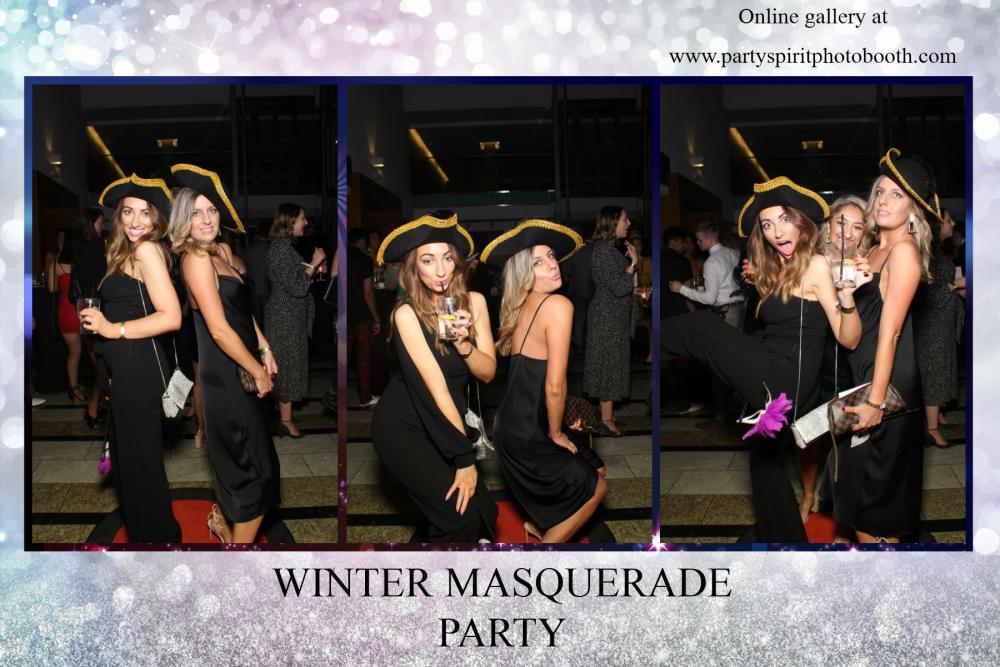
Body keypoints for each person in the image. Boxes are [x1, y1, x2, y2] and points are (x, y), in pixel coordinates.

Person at [663, 177, 870, 542]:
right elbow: (780, 313)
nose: (776, 232)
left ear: (801, 222)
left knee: (700, 326)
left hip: (785, 375)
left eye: (784, 219)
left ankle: (653, 343)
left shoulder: (817, 265)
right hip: (772, 368)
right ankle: (784, 537)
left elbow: (849, 337)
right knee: (762, 461)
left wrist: (848, 298)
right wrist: (758, 279)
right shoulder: (779, 268)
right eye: (767, 225)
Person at [169, 164, 280, 543]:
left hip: (243, 363)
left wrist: (263, 346)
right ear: (183, 220)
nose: (206, 219)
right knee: (253, 472)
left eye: (212, 210)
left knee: (257, 462)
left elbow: (243, 310)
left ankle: (228, 532)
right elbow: (217, 328)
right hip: (226, 376)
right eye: (195, 213)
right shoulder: (195, 259)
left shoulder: (221, 250)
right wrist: (257, 371)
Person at [371, 212, 498, 542]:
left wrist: (464, 343)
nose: (441, 270)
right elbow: (437, 390)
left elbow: (487, 373)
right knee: (459, 519)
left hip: (445, 422)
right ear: (414, 267)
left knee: (485, 513)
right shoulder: (406, 314)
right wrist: (464, 459)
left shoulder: (476, 303)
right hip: (404, 428)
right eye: (428, 260)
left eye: (447, 258)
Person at [482, 220, 608, 543]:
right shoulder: (558, 305)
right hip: (530, 431)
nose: (552, 265)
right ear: (524, 273)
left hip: (511, 425)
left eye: (551, 256)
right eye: (538, 262)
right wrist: (556, 433)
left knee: (594, 467)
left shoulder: (522, 304)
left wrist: (559, 422)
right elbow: (554, 385)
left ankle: (538, 527)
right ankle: (543, 557)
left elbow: (529, 379)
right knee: (597, 487)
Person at [833, 148, 935, 543]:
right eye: (880, 192)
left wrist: (876, 403)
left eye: (897, 194)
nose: (883, 200)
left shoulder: (904, 251)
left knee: (876, 505)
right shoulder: (872, 250)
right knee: (861, 496)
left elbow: (890, 333)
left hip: (888, 387)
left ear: (913, 209)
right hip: (866, 374)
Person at [79, 174, 182, 543]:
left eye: (145, 212)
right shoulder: (122, 250)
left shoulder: (146, 250)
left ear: (156, 218)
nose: (136, 220)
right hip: (125, 368)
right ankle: (149, 536)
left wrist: (111, 329)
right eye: (128, 212)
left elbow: (172, 317)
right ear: (118, 216)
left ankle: (157, 542)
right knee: (129, 466)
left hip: (140, 369)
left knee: (140, 466)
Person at [266, 202, 325, 438]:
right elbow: (297, 287)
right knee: (287, 368)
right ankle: (285, 421)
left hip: (290, 317)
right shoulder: (280, 249)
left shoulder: (283, 248)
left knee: (287, 365)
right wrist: (314, 262)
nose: (306, 222)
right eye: (302, 218)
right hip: (285, 318)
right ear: (290, 222)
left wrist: (312, 269)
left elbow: (296, 279)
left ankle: (281, 415)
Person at [584, 206, 639, 437]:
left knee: (612, 363)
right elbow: (619, 286)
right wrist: (633, 263)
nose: (629, 223)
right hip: (607, 317)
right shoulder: (603, 251)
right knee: (609, 365)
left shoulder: (608, 250)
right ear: (613, 222)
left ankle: (607, 413)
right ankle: (606, 420)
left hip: (612, 316)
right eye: (625, 219)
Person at [73, 207, 108, 427]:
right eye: (101, 222)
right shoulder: (94, 247)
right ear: (92, 223)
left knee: (98, 364)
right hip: (96, 309)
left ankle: (96, 409)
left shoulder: (78, 246)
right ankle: (93, 411)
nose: (102, 226)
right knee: (101, 366)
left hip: (85, 309)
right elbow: (100, 280)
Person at [47, 228, 87, 405]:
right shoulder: (80, 260)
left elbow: (52, 289)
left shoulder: (56, 262)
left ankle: (74, 388)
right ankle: (91, 387)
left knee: (74, 352)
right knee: (87, 351)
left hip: (65, 309)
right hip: (83, 307)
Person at [346, 227, 379, 407]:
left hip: (343, 313)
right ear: (362, 241)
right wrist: (376, 318)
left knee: (344, 357)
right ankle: (365, 397)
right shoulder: (364, 260)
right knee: (363, 357)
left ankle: (339, 396)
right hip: (361, 315)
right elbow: (368, 293)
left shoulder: (341, 256)